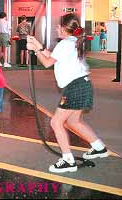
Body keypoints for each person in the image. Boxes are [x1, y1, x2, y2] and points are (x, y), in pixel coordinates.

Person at [27, 13, 108, 173]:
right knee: (73, 122)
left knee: (56, 122)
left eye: (58, 26)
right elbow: (54, 56)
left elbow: (47, 63)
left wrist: (36, 51)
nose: (56, 28)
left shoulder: (65, 43)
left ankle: (68, 160)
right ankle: (99, 148)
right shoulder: (72, 41)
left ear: (64, 28)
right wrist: (38, 45)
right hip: (83, 85)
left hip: (74, 88)